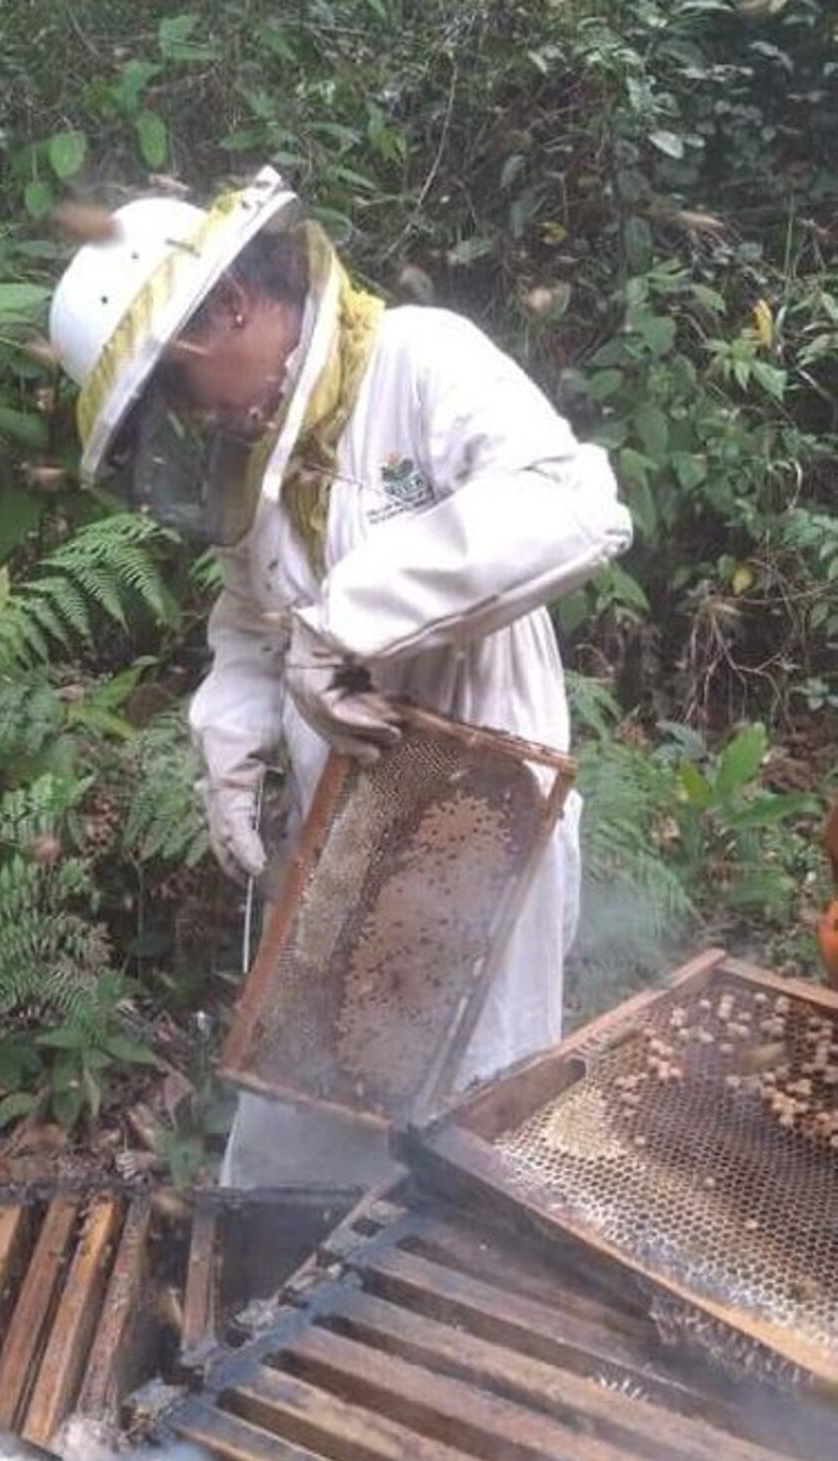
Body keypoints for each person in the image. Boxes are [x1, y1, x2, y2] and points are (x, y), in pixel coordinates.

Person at [50, 166, 633, 1188]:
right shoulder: (256, 457)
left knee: (464, 1134)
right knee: (301, 1116)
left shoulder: (419, 359)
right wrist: (227, 735)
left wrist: (353, 618)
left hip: (486, 828)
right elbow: (254, 619)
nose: (192, 419)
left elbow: (575, 506)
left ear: (232, 306)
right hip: (346, 830)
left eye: (177, 387)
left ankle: (442, 1322)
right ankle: (263, 1306)